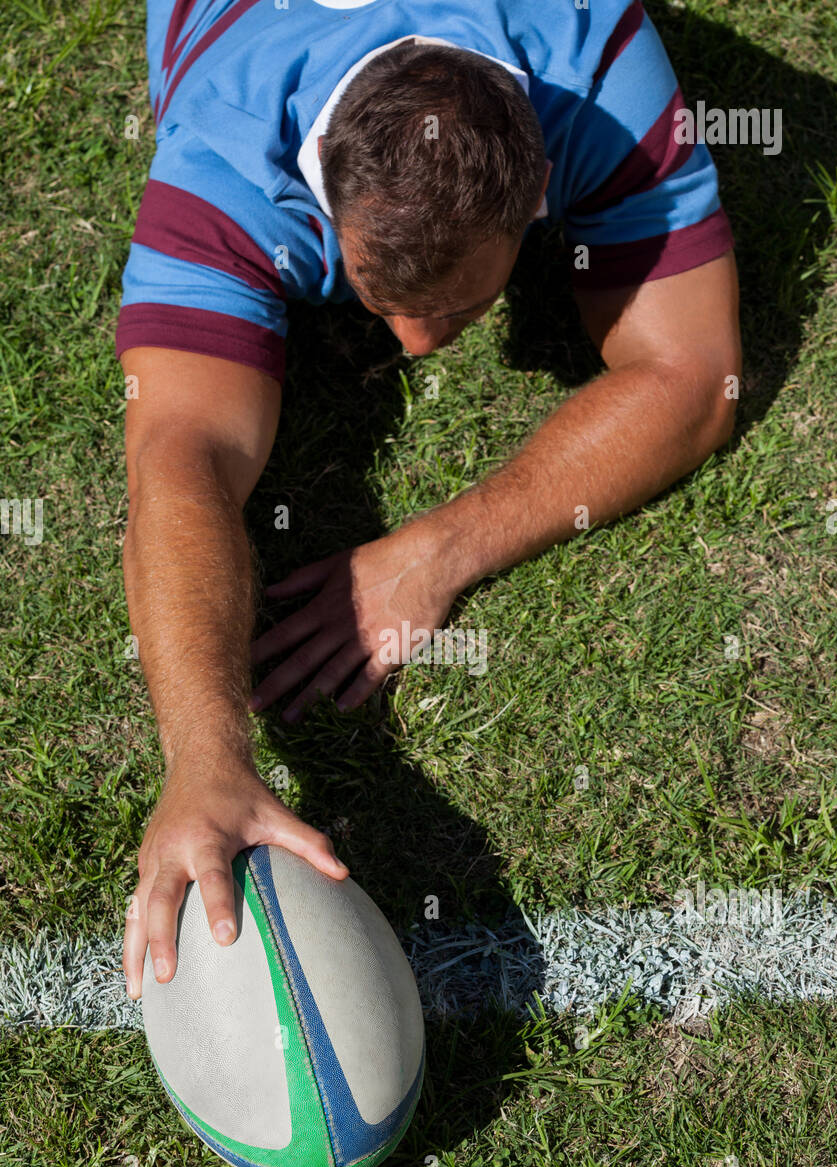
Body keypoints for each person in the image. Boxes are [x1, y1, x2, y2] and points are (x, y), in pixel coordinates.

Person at [119, 0, 741, 998]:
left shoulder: (593, 65)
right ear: (318, 184)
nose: (410, 344)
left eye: (451, 308)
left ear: (541, 184)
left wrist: (436, 550)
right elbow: (177, 458)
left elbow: (694, 378)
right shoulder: (226, 167)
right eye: (380, 298)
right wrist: (203, 757)